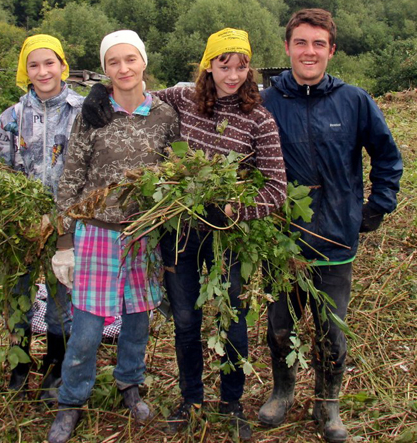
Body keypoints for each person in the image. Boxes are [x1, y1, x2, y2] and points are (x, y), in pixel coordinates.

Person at [82, 28, 288, 440]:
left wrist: (238, 209)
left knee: (232, 319)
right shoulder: (183, 100)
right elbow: (134, 90)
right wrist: (99, 94)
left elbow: (277, 188)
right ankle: (190, 399)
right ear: (208, 65)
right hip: (180, 234)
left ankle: (231, 404)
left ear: (250, 69)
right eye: (223, 65)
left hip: (228, 235)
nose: (232, 75)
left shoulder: (259, 119)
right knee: (186, 319)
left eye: (241, 66)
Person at [259, 9, 403, 443]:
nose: (309, 51)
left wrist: (374, 207)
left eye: (318, 44)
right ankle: (282, 391)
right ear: (287, 48)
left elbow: (387, 156)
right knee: (279, 326)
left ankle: (328, 405)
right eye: (301, 43)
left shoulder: (353, 100)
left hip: (336, 238)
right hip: (280, 239)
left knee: (331, 329)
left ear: (331, 50)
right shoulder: (266, 103)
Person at [46, 30, 179, 443]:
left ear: (143, 62)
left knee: (138, 319)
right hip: (96, 232)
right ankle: (71, 401)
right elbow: (71, 177)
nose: (123, 69)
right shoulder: (93, 113)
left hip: (143, 234)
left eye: (130, 60)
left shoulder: (164, 115)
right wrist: (63, 240)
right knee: (87, 326)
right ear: (105, 70)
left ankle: (129, 384)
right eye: (113, 63)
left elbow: (179, 169)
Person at [0, 34, 84, 402]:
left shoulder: (81, 111)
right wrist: (20, 217)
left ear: (63, 66)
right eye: (34, 65)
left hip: (66, 226)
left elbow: (88, 173)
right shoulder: (12, 118)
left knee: (62, 295)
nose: (43, 71)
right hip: (22, 227)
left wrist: (66, 227)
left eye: (50, 63)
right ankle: (19, 363)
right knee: (17, 294)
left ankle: (56, 364)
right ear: (24, 71)